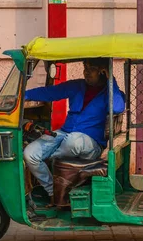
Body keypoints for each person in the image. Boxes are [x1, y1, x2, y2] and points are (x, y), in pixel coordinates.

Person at [23, 58, 125, 201]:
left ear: (103, 71)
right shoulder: (77, 86)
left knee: (73, 141)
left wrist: (111, 79)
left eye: (92, 68)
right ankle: (53, 191)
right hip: (65, 133)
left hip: (90, 143)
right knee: (30, 154)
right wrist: (24, 95)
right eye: (85, 67)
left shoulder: (112, 92)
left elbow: (118, 107)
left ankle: (52, 159)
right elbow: (51, 92)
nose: (86, 72)